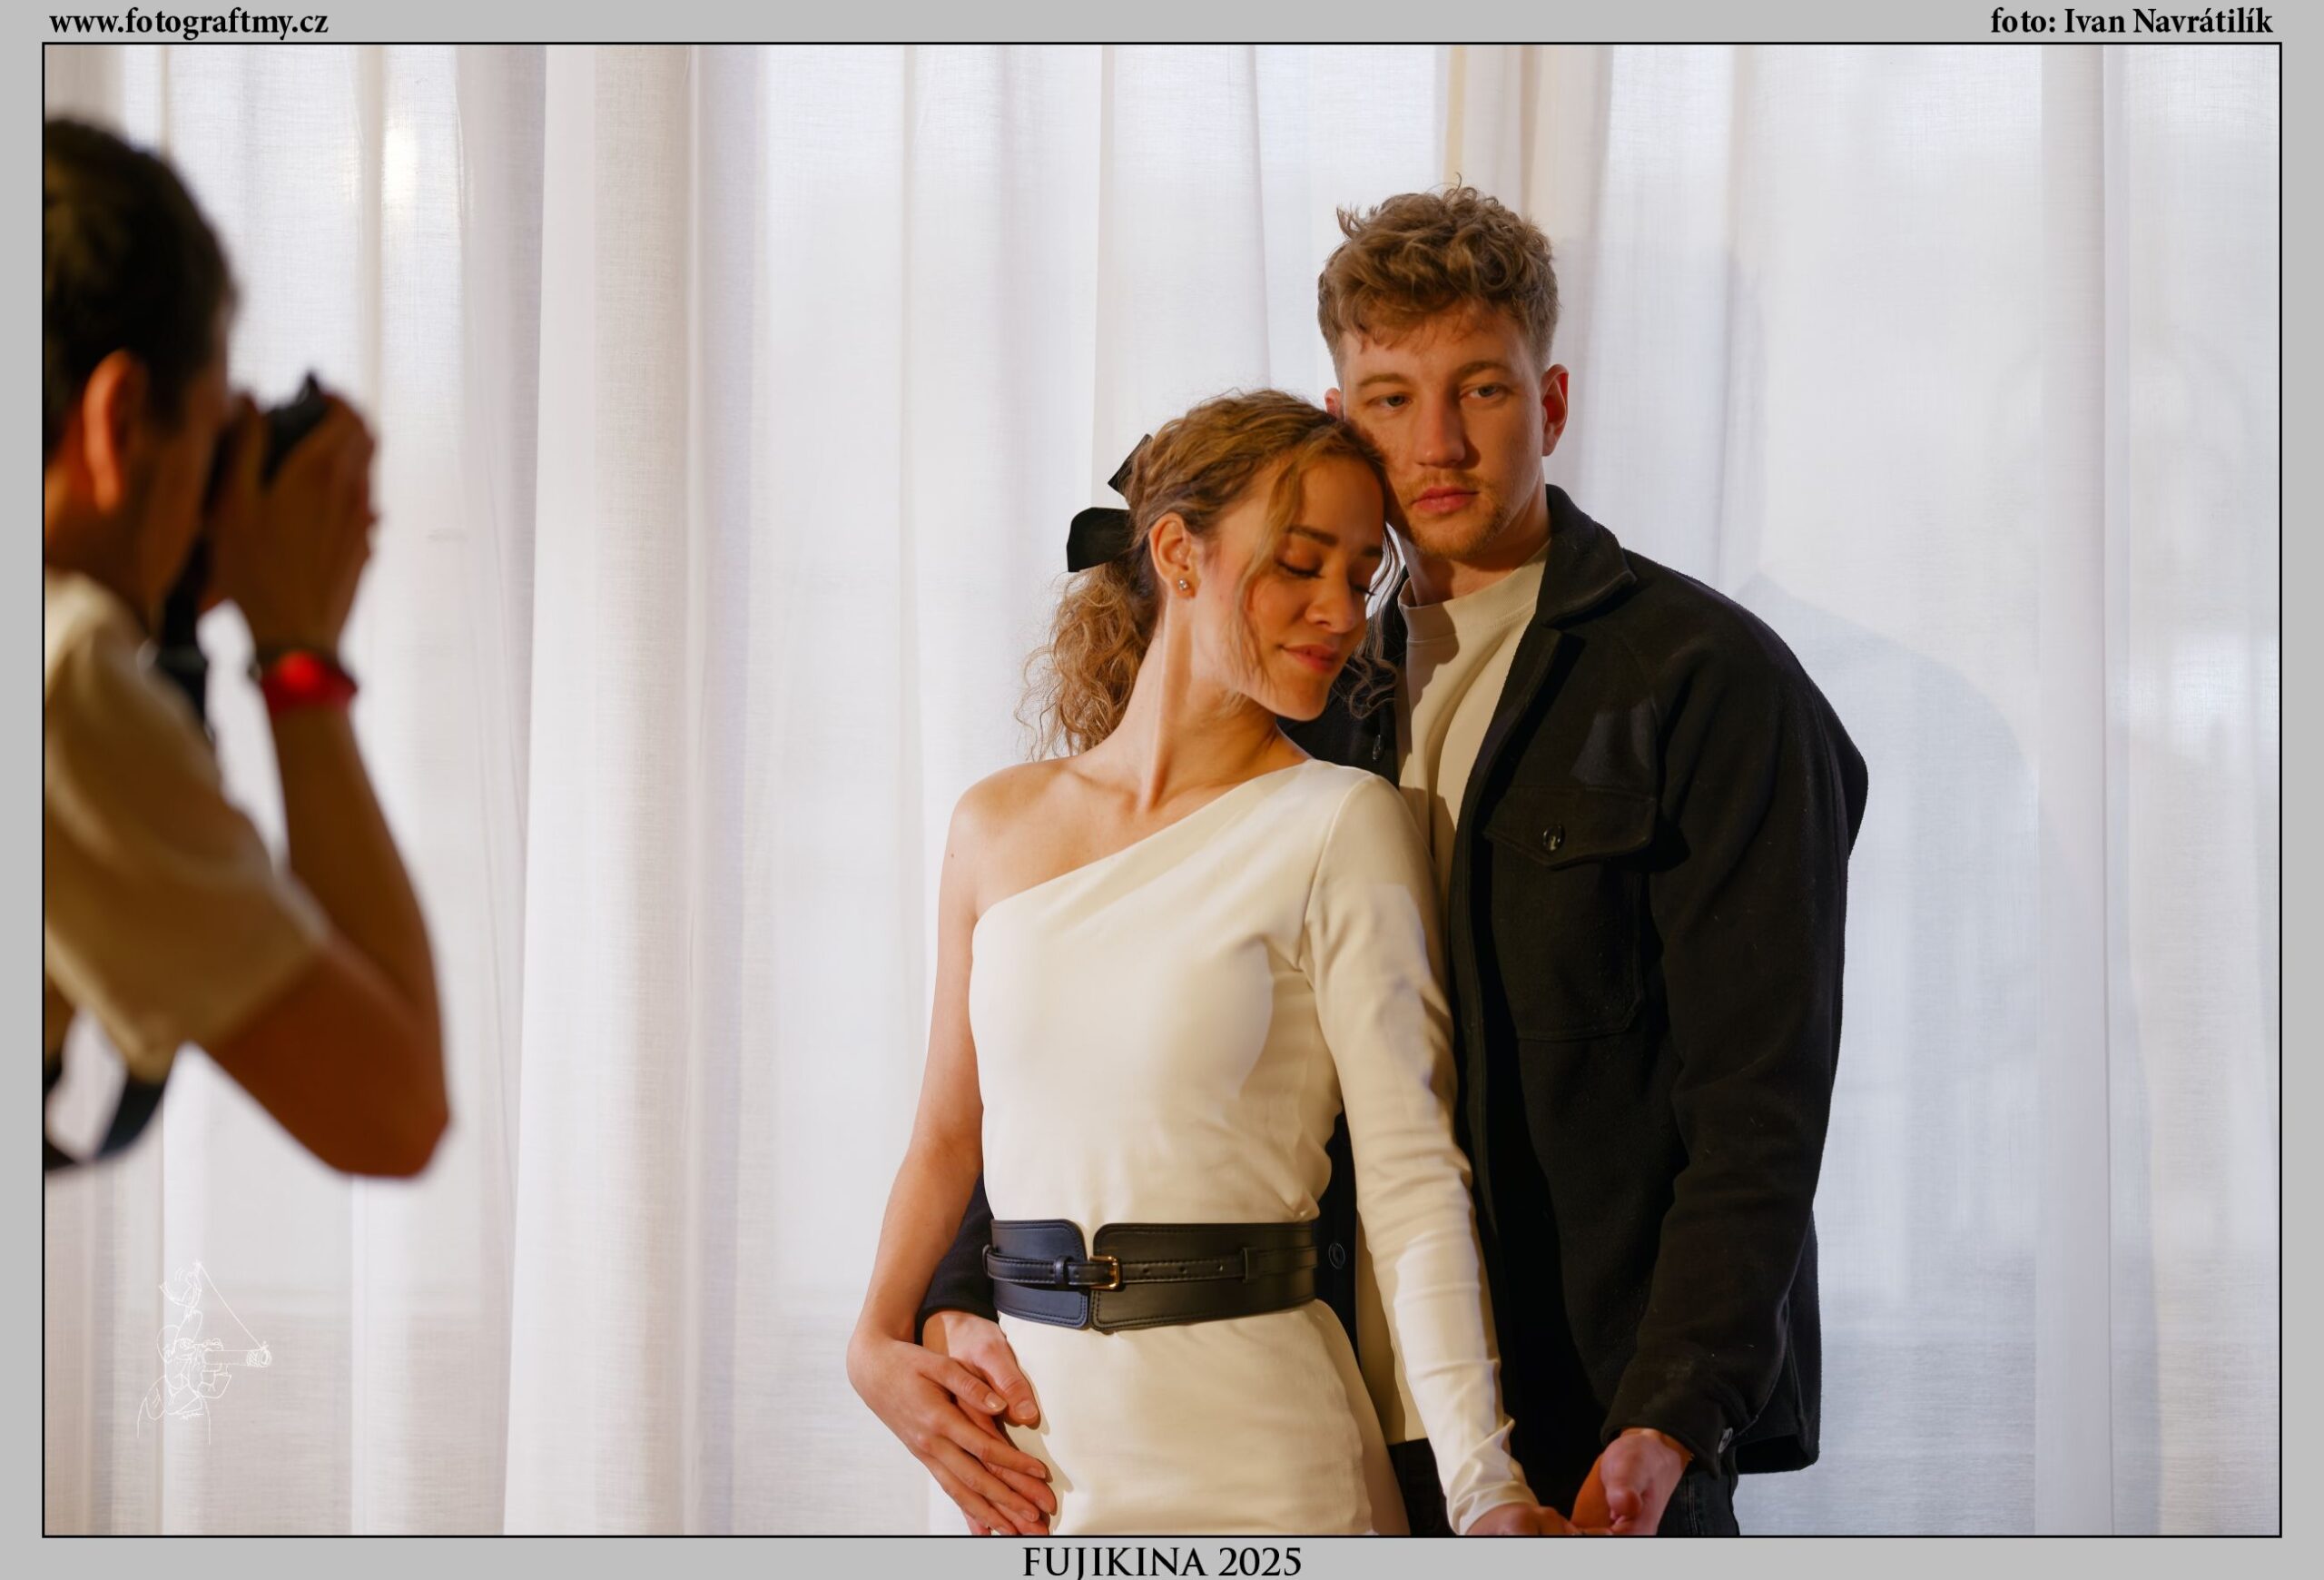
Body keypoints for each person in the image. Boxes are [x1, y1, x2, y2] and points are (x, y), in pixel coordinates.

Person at [880, 188, 1868, 1537]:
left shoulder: (1707, 686)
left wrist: (1677, 1411)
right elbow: (1093, 1038)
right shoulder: (1306, 681)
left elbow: (1761, 1101)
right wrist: (958, 1293)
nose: (1439, 443)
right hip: (1318, 1394)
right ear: (1342, 416)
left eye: (1483, 390)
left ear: (1552, 402)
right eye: (1393, 400)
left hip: (1587, 1421)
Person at [846, 391, 1570, 1536]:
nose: (1340, 613)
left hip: (1261, 1460)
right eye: (1300, 565)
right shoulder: (994, 824)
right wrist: (873, 1347)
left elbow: (1410, 1181)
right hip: (1021, 1464)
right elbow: (946, 1138)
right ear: (1179, 554)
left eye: (1360, 576)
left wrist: (1486, 1488)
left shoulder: (1340, 822)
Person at [43, 117, 448, 1178]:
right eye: (208, 435)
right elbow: (394, 1112)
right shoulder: (62, 681)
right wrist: (297, 651)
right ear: (119, 419)